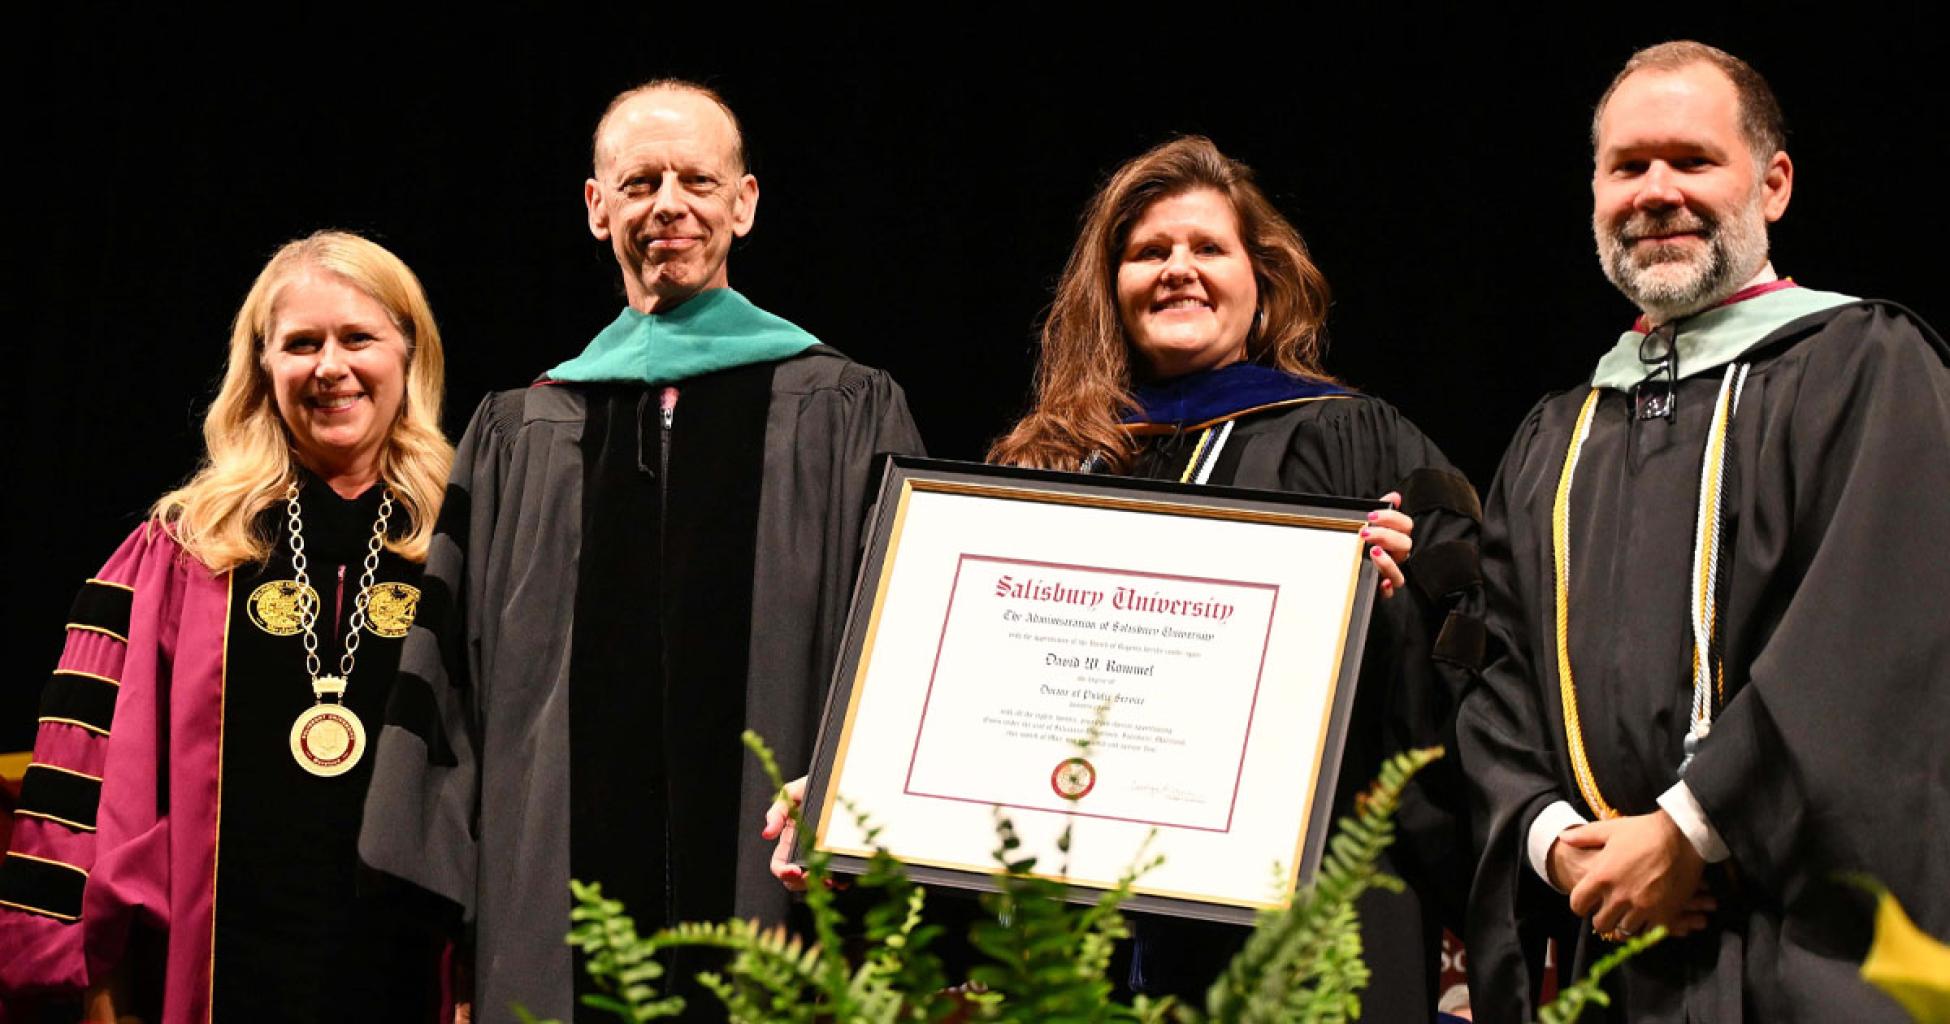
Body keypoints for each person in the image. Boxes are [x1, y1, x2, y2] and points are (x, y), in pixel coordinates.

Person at [357, 79, 925, 1021]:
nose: (670, 204)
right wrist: (447, 904)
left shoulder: (843, 410)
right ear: (597, 207)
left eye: (698, 179)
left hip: (777, 889)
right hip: (547, 898)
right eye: (640, 181)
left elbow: (902, 659)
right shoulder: (519, 431)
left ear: (743, 202)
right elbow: (452, 682)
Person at [1459, 41, 1950, 1021]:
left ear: (1772, 184)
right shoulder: (1558, 431)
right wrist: (1557, 841)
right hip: (1603, 951)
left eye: (1691, 160)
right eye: (1627, 165)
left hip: (1804, 951)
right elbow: (1495, 679)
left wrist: (1688, 831)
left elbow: (1873, 638)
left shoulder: (1867, 367)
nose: (1656, 191)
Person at [987, 136, 1484, 1021]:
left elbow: (1474, 646)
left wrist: (1401, 607)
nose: (1178, 270)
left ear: (1263, 285)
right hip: (1080, 908)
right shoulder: (1055, 466)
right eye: (1148, 253)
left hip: (1307, 913)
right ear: (1112, 289)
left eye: (1207, 248)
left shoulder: (1352, 438)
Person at [0, 230, 453, 1022]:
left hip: (419, 972)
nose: (330, 367)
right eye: (301, 344)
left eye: (358, 338)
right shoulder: (181, 552)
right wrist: (96, 989)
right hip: (215, 977)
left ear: (409, 356)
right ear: (263, 367)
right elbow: (98, 789)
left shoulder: (466, 545)